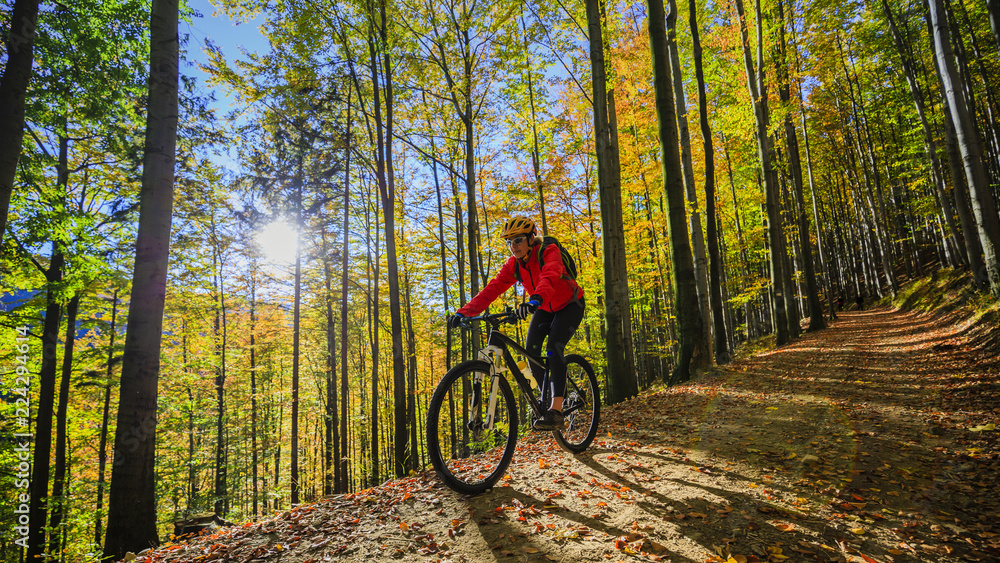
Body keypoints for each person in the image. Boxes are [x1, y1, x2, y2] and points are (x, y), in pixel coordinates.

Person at [448, 216, 585, 431]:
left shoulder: (548, 251)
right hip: (543, 307)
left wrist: (535, 299)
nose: (514, 246)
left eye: (519, 240)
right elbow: (491, 289)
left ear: (531, 238)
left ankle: (556, 410)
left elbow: (551, 274)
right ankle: (548, 401)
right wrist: (462, 313)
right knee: (531, 353)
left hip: (570, 303)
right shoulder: (514, 265)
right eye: (509, 242)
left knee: (553, 348)